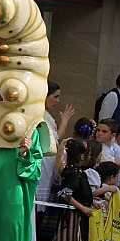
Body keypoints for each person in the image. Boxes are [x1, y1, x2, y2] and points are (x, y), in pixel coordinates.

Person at [53, 139, 102, 241]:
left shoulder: (80, 172)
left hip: (82, 215)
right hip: (73, 216)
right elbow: (66, 195)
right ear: (82, 157)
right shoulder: (72, 173)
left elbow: (82, 193)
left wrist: (91, 202)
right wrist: (82, 208)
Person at [36, 81, 75, 214]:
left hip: (48, 163)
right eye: (55, 96)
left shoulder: (46, 115)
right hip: (41, 163)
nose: (58, 101)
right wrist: (64, 120)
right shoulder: (39, 116)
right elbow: (54, 140)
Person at [88, 161, 119, 241]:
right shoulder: (106, 188)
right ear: (112, 177)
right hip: (101, 223)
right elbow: (93, 194)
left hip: (104, 223)